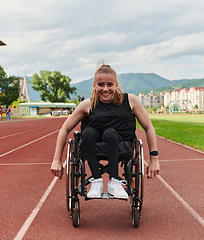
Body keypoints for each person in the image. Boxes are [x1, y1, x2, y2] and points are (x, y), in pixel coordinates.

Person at [51, 64, 160, 199]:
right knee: (87, 133)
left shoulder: (131, 100)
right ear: (94, 86)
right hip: (93, 145)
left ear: (116, 85)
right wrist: (57, 160)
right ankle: (97, 181)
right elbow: (65, 129)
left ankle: (114, 180)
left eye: (110, 84)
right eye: (100, 84)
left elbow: (149, 127)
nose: (105, 89)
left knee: (110, 133)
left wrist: (154, 159)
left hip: (122, 145)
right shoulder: (87, 104)